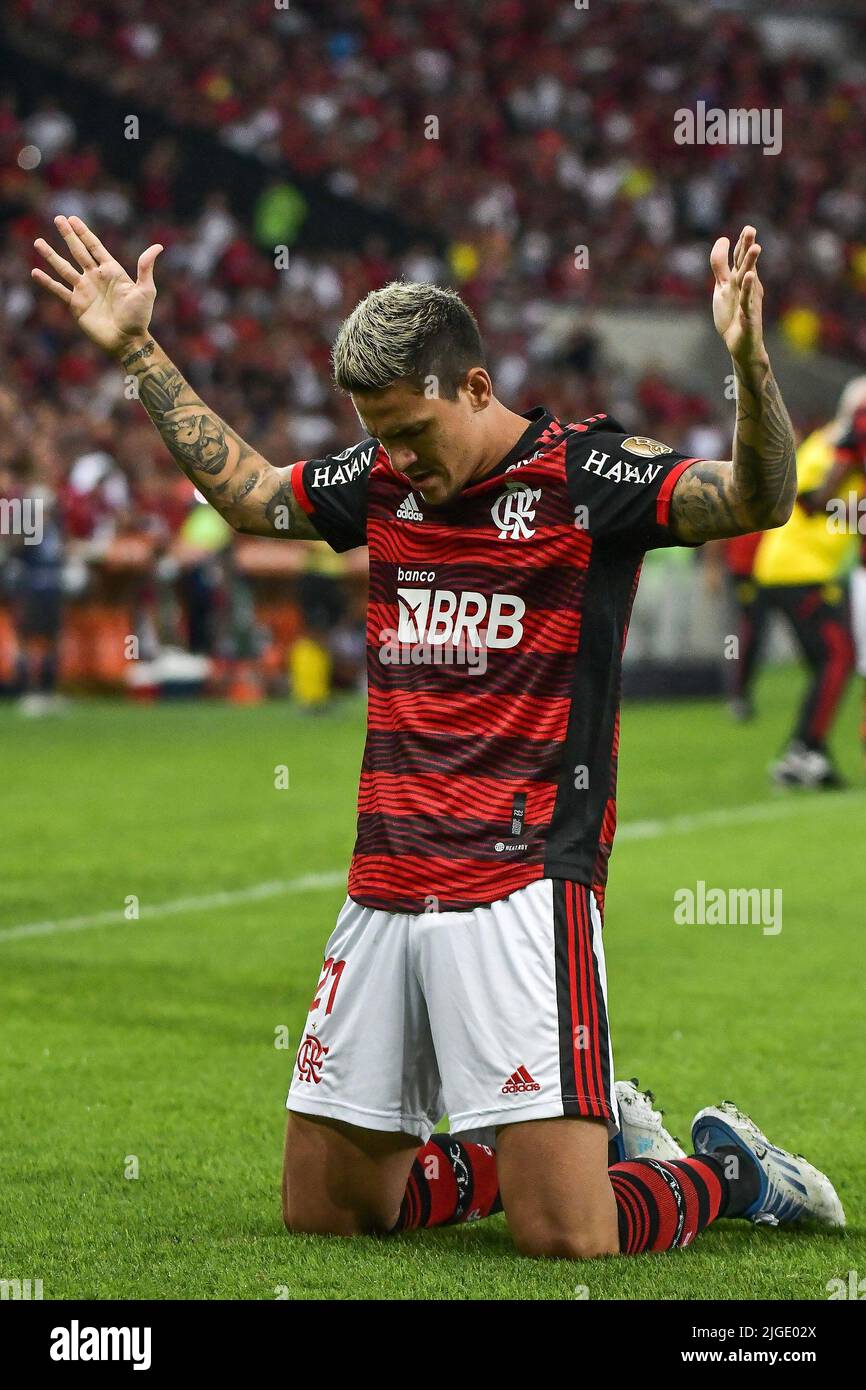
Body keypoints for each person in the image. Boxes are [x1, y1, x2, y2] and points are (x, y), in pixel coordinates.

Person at [32, 214, 844, 1258]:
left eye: (412, 430)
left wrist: (747, 365)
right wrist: (140, 353)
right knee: (326, 1210)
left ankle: (723, 1173)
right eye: (376, 433)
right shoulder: (381, 480)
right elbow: (247, 496)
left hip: (520, 884)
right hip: (386, 876)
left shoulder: (583, 477)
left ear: (473, 387)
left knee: (567, 1236)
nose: (397, 457)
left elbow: (753, 498)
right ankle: (583, 1141)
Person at [752, 382, 866, 787]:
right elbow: (816, 503)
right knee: (838, 656)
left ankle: (806, 749)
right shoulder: (841, 447)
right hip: (800, 568)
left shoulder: (825, 442)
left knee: (828, 662)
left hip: (791, 565)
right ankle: (806, 749)